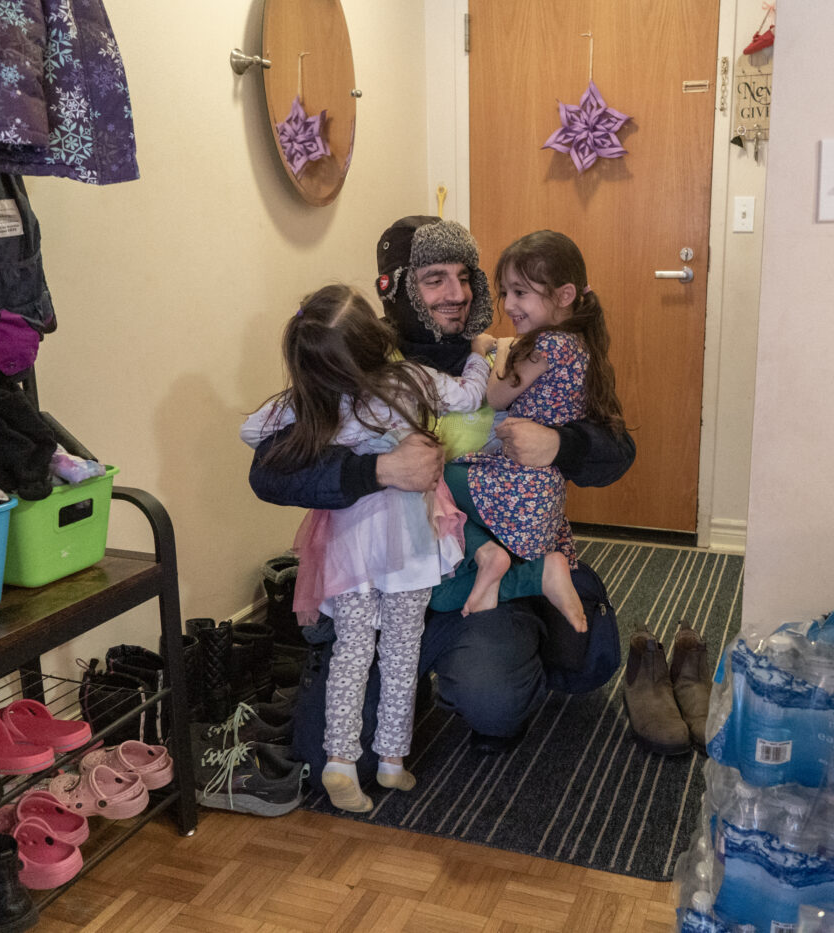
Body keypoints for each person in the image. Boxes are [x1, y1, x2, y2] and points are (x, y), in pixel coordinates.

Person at [247, 216, 635, 788]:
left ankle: (501, 635)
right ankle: (403, 697)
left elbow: (618, 449)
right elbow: (271, 470)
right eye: (434, 279)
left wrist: (561, 443)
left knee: (493, 703)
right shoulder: (358, 354)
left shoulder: (511, 353)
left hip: (474, 583)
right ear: (397, 287)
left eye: (465, 276)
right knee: (329, 751)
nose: (457, 294)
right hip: (383, 581)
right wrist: (376, 469)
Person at [250, 283, 494, 812]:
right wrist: (478, 355)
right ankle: (390, 761)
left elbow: (253, 432)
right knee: (401, 650)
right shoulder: (415, 379)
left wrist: (315, 409)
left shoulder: (315, 402)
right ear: (380, 335)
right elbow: (472, 396)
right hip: (409, 542)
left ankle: (340, 761)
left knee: (351, 652)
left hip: (348, 546)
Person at [445, 230, 626, 636]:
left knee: (435, 480)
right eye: (505, 292)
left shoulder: (544, 346)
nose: (508, 305)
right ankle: (510, 566)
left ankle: (489, 555)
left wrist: (493, 352)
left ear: (563, 296)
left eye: (520, 293)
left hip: (517, 493)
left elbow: (495, 394)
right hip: (543, 501)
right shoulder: (580, 346)